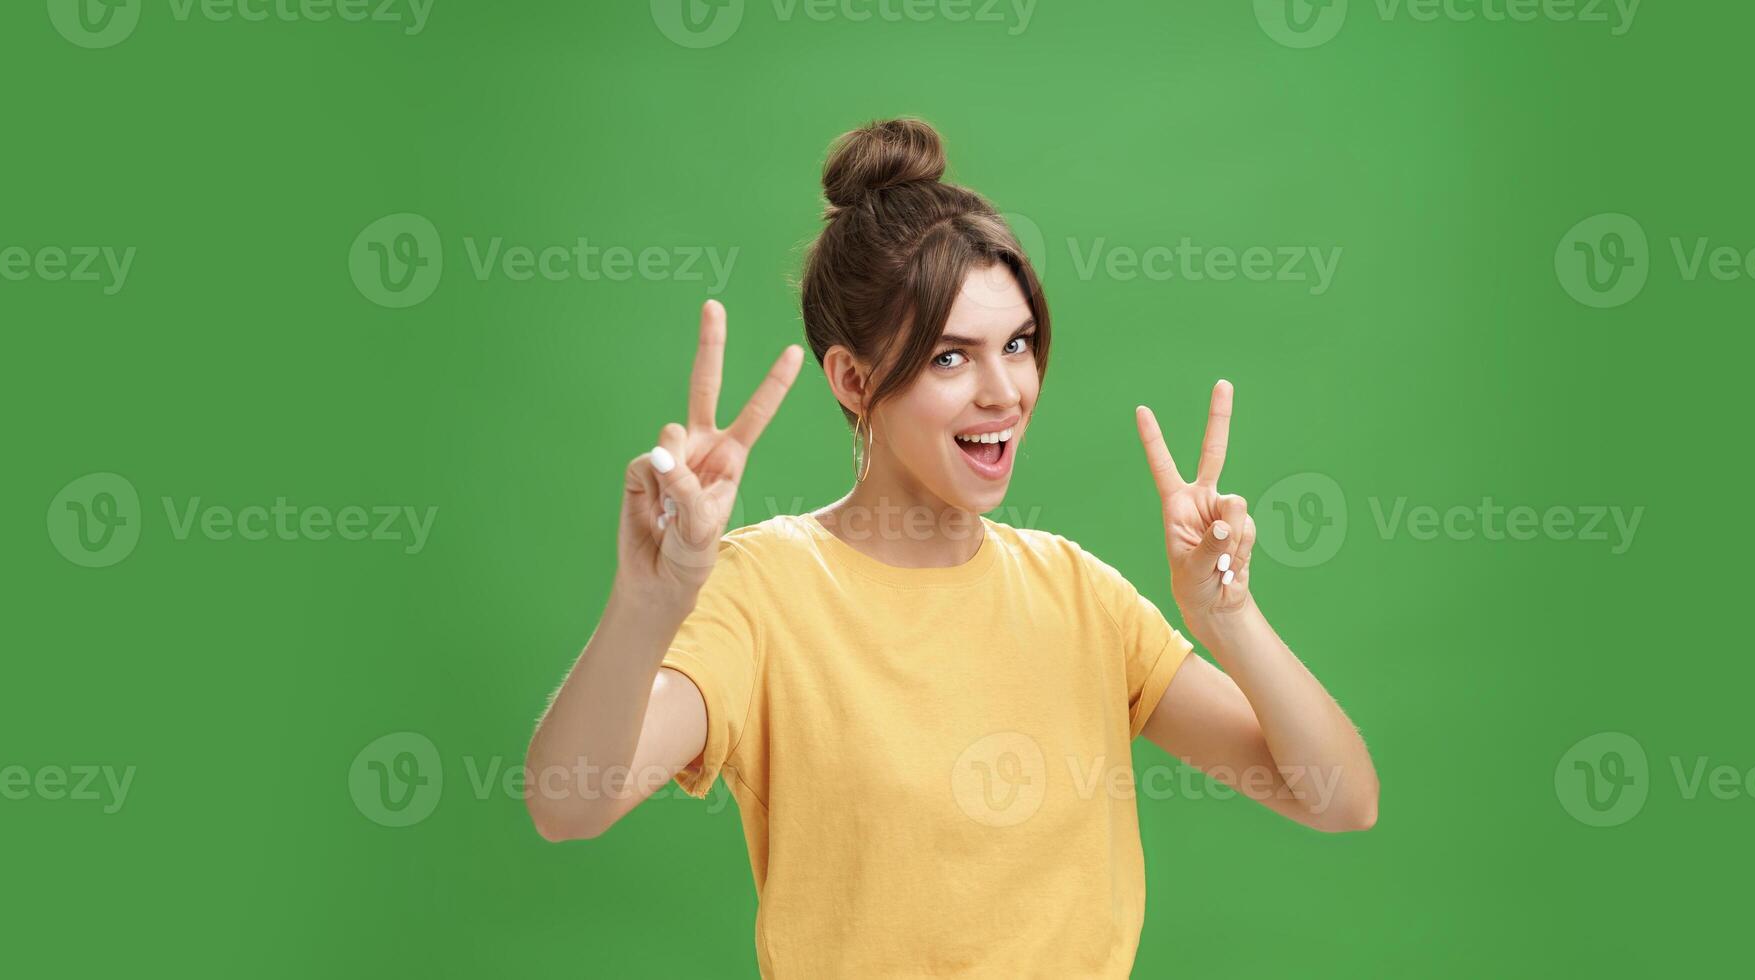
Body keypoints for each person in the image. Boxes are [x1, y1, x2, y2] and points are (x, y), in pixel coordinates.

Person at [526, 118, 1379, 978]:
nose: (1004, 392)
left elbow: (1338, 799)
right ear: (855, 382)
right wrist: (647, 603)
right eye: (949, 358)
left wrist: (1227, 617)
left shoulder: (1078, 593)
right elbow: (570, 806)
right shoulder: (763, 590)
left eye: (1016, 345)